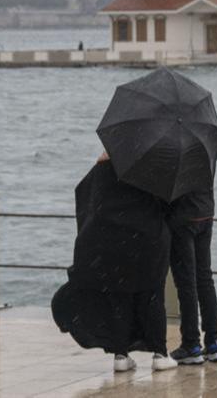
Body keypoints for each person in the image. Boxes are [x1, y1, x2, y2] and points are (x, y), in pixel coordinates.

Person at [51, 152, 178, 373]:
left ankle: (120, 355)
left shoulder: (102, 169)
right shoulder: (150, 168)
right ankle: (160, 353)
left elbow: (88, 203)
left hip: (113, 243)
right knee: (152, 296)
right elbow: (165, 204)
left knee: (119, 298)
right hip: (148, 242)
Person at [167, 186, 217, 364]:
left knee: (186, 282)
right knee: (205, 278)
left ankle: (191, 344)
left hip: (183, 217)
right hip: (205, 212)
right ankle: (214, 341)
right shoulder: (208, 156)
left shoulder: (173, 157)